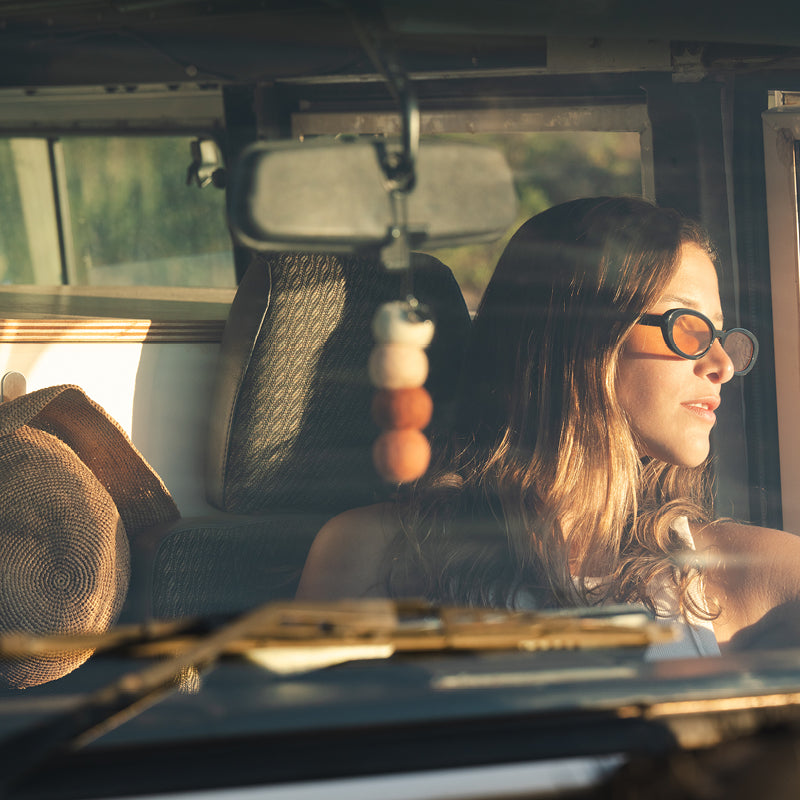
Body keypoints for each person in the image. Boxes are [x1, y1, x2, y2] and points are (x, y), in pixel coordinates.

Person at [296, 196, 800, 654]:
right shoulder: (374, 555)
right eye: (687, 326)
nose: (723, 364)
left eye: (719, 333)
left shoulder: (744, 576)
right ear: (583, 339)